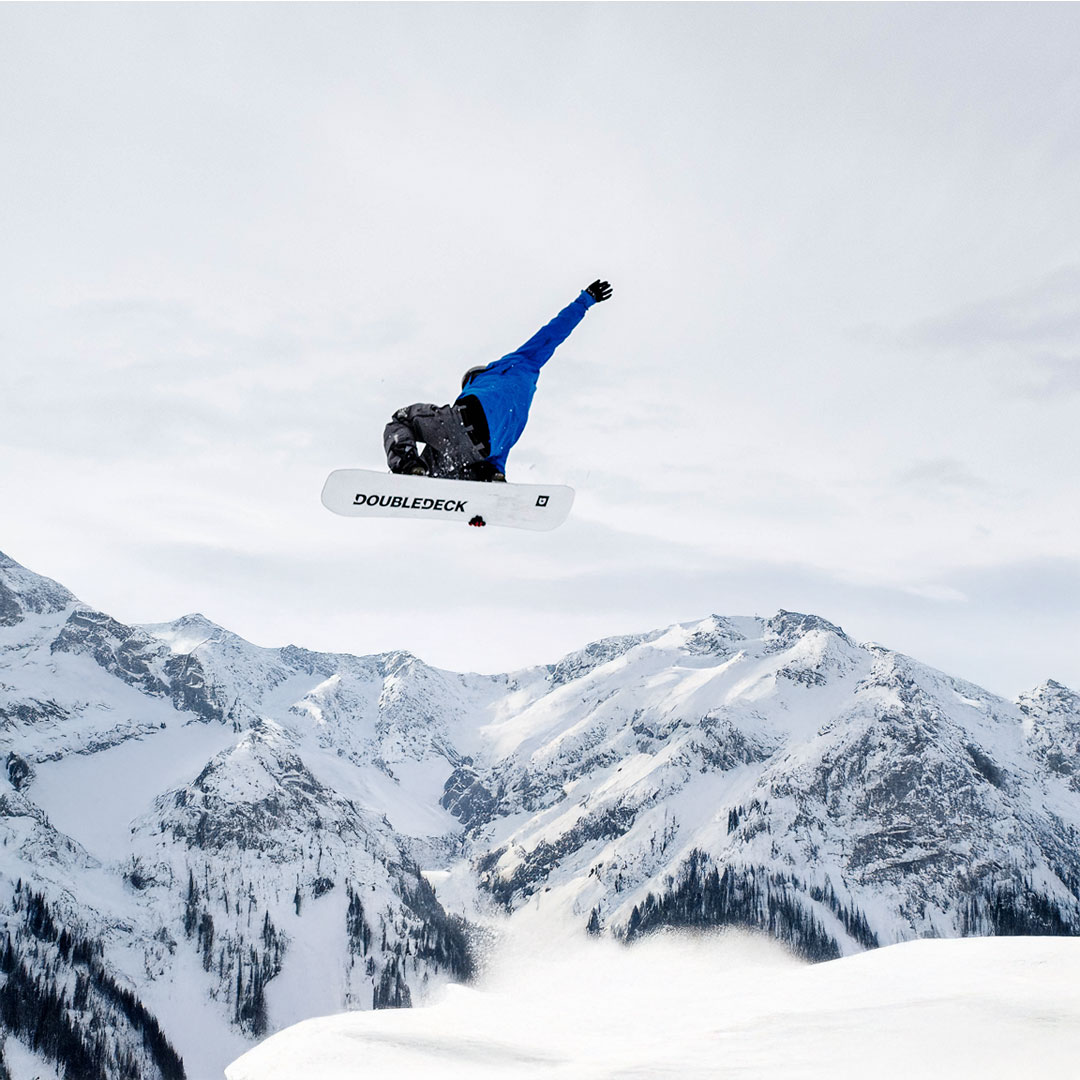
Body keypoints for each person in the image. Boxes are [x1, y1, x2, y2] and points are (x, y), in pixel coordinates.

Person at [383, 279, 613, 482]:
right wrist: (496, 478)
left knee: (402, 419)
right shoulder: (518, 410)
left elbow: (551, 332)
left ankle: (408, 466)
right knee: (442, 467)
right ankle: (435, 480)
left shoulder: (515, 363)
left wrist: (584, 301)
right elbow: (500, 454)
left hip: (464, 419)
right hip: (481, 450)